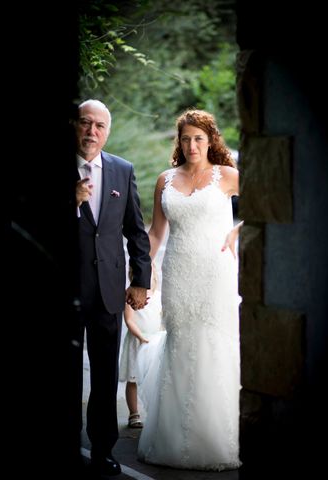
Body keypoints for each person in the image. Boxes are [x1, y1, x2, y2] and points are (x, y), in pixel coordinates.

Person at [137, 109, 243, 470]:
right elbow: (154, 233)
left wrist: (237, 229)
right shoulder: (166, 179)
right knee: (180, 345)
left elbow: (268, 199)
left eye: (199, 138)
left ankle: (213, 441)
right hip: (178, 272)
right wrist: (139, 274)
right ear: (178, 142)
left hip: (216, 273)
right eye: (185, 138)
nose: (192, 144)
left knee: (213, 346)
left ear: (211, 139)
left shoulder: (227, 176)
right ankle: (172, 439)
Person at [71, 99, 151, 476]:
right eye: (85, 123)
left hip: (108, 289)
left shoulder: (122, 169)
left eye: (99, 126)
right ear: (75, 126)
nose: (91, 132)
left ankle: (102, 450)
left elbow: (136, 230)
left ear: (108, 131)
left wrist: (141, 280)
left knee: (104, 377)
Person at [118, 262, 163, 429]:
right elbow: (129, 320)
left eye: (149, 271)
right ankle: (133, 413)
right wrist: (141, 337)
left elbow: (161, 317)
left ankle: (154, 411)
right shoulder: (131, 295)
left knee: (154, 378)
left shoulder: (158, 296)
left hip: (153, 343)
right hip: (137, 343)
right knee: (133, 379)